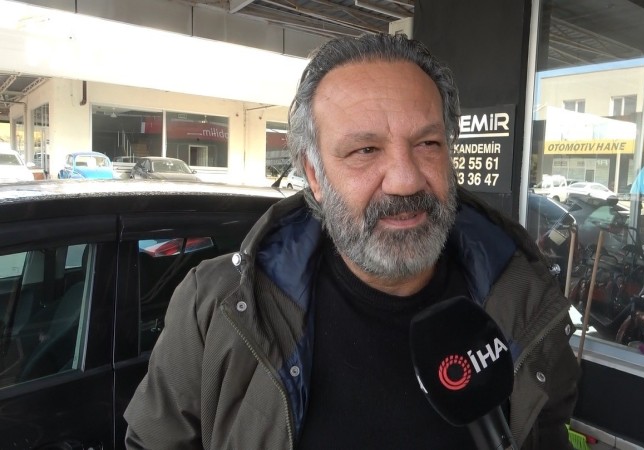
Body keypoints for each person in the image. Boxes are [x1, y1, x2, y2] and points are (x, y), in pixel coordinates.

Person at [124, 33, 580, 449]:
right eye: (365, 150)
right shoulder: (218, 308)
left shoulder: (522, 301)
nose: (405, 180)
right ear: (314, 176)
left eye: (428, 144)